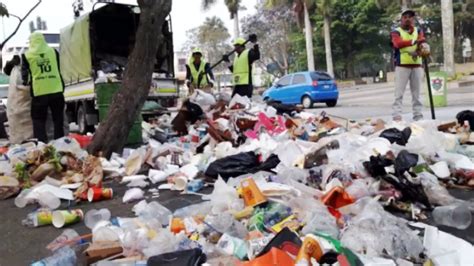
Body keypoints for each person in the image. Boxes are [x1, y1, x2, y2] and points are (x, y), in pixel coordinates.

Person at [22, 32, 65, 142]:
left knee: (38, 120)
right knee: (58, 119)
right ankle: (59, 143)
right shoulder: (53, 52)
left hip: (39, 93)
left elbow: (25, 78)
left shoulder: (26, 55)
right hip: (57, 90)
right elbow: (58, 68)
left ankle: (41, 144)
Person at [390, 9, 430, 121]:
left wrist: (422, 47)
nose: (408, 19)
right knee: (399, 94)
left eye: (410, 17)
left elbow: (421, 41)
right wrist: (413, 42)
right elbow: (397, 44)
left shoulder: (418, 30)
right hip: (402, 66)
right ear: (401, 19)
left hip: (417, 65)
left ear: (413, 19)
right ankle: (397, 116)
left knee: (417, 95)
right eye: (405, 17)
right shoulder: (396, 32)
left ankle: (418, 116)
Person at [3, 55, 34, 144]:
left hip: (16, 109)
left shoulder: (16, 72)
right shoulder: (20, 70)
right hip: (24, 108)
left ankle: (19, 143)